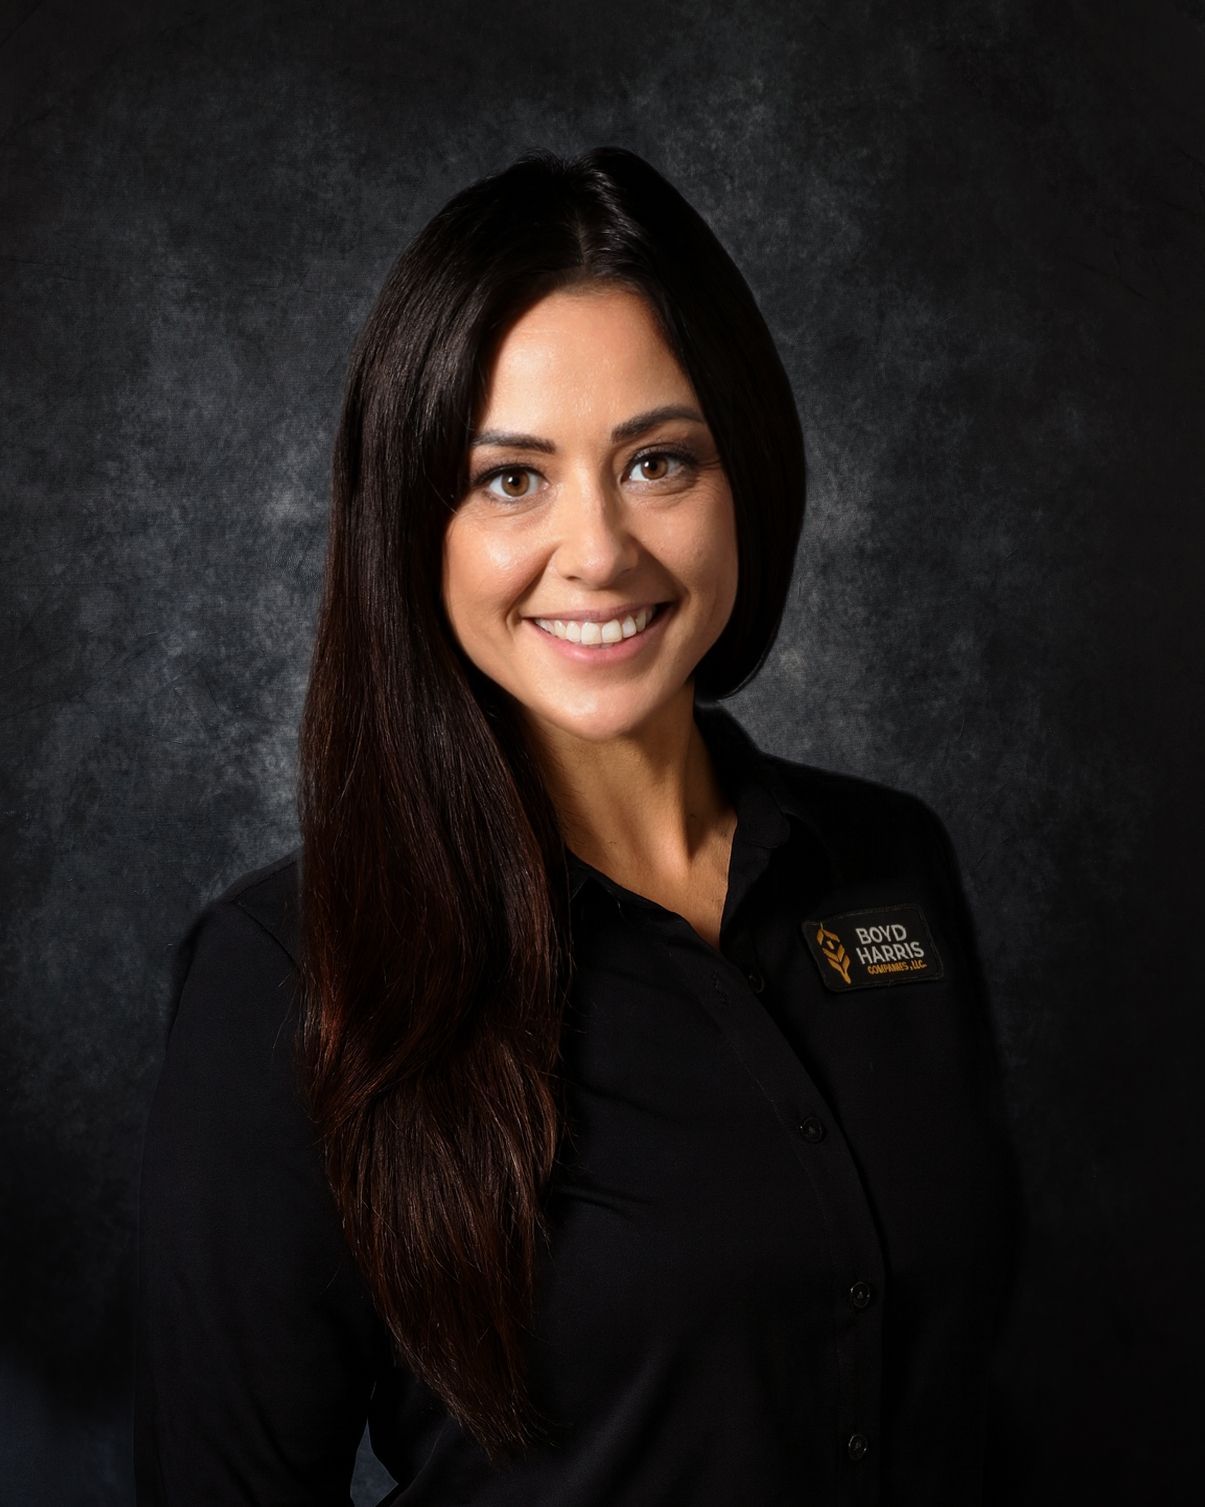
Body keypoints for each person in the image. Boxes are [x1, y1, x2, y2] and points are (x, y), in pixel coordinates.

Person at [133, 146, 1021, 1505]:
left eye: (657, 462)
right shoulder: (286, 975)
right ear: (410, 525)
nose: (597, 550)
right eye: (509, 480)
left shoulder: (889, 866)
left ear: (748, 477)